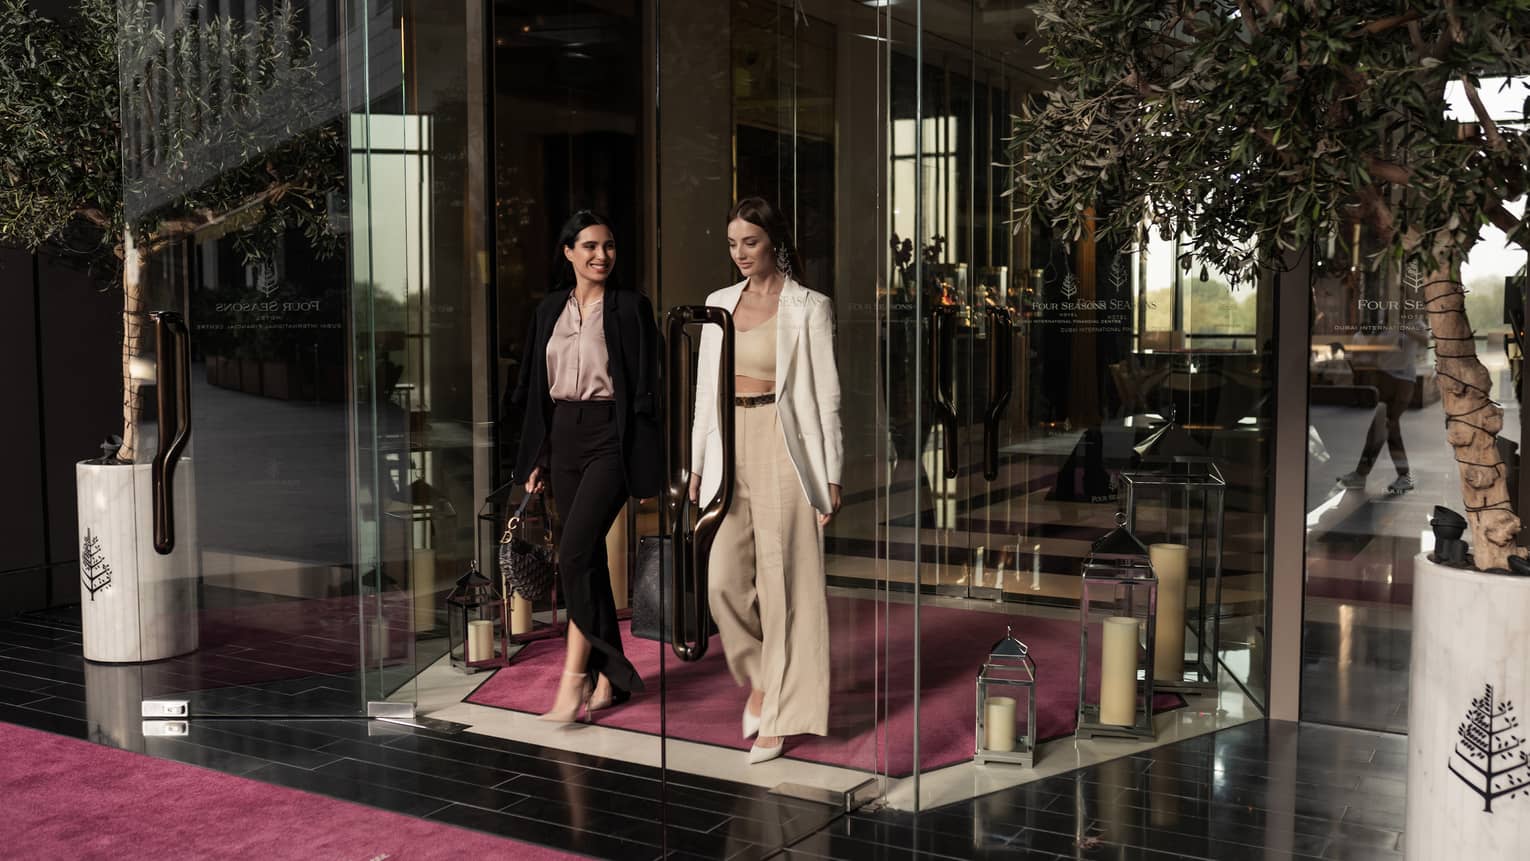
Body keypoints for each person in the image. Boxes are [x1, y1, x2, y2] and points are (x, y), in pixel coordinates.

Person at [688, 197, 843, 764]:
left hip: (784, 445)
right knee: (723, 580)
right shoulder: (717, 304)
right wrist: (697, 465)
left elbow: (826, 397)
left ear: (773, 241)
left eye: (749, 243)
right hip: (730, 444)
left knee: (787, 585)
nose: (739, 255)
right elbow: (706, 391)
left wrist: (832, 475)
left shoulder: (810, 306)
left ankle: (779, 713)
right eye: (732, 245)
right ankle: (760, 678)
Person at [511, 210, 662, 722]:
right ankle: (610, 675)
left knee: (573, 553)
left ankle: (574, 676)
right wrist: (535, 455)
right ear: (568, 252)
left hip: (610, 437)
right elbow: (533, 390)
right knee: (587, 558)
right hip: (563, 438)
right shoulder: (548, 309)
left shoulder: (630, 308)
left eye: (610, 246)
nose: (602, 255)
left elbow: (650, 388)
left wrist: (652, 457)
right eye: (591, 246)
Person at [1337, 318, 1427, 495]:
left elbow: (1425, 342)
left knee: (1388, 426)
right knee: (1380, 427)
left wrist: (1405, 329)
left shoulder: (1416, 323)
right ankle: (1363, 475)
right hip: (1384, 378)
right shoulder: (1384, 325)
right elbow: (1376, 353)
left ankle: (1403, 475)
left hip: (1403, 382)